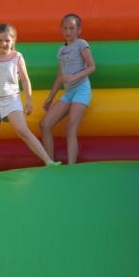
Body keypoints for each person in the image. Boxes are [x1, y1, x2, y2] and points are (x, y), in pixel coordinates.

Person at [0, 23, 61, 173]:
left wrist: (29, 100)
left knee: (22, 130)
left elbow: (25, 79)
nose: (4, 44)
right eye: (0, 40)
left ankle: (48, 161)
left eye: (7, 40)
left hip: (11, 100)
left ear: (13, 40)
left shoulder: (17, 57)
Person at [39, 13, 96, 164]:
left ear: (78, 30)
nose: (68, 31)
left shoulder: (81, 44)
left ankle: (71, 167)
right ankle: (50, 163)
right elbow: (60, 76)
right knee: (44, 124)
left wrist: (74, 77)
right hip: (68, 93)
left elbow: (92, 67)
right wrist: (51, 97)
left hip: (81, 90)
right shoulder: (62, 50)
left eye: (72, 28)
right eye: (65, 28)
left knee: (70, 129)